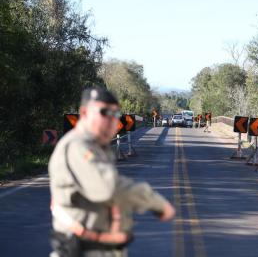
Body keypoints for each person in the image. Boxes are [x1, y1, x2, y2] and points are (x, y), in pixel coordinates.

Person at [49, 87, 175, 257]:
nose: (111, 119)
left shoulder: (98, 146)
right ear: (85, 112)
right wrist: (154, 202)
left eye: (115, 114)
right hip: (81, 248)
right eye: (104, 112)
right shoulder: (77, 147)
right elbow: (108, 188)